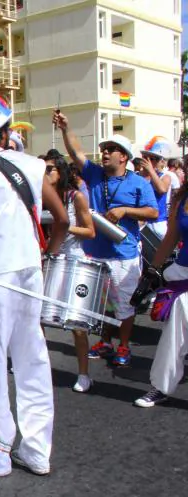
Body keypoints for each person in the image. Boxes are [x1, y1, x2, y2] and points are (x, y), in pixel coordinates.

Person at [0, 97, 69, 477]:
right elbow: (63, 220)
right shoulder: (35, 166)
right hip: (28, 271)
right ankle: (37, 451)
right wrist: (47, 257)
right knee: (32, 357)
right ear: (6, 132)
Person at [55, 111, 159, 367]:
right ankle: (105, 342)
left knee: (124, 304)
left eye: (111, 149)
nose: (104, 152)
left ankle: (123, 346)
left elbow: (153, 212)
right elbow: (76, 153)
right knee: (102, 304)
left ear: (123, 156)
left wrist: (125, 211)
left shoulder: (138, 183)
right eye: (103, 149)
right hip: (95, 252)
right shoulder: (95, 175)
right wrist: (65, 128)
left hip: (123, 254)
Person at [134, 179, 188, 407]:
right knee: (173, 337)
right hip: (183, 277)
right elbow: (170, 239)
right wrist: (152, 271)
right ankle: (161, 386)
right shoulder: (182, 200)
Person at [45, 158, 97, 392]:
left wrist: (66, 226)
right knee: (39, 319)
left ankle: (84, 374)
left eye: (49, 169)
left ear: (60, 172)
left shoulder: (76, 197)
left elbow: (90, 231)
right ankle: (41, 368)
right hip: (48, 260)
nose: (44, 173)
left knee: (77, 324)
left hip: (73, 261)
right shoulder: (40, 197)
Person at [140, 138, 175, 238]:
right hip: (140, 221)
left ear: (161, 162)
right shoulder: (136, 176)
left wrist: (151, 171)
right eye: (146, 157)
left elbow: (162, 189)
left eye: (152, 158)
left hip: (157, 223)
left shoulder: (165, 176)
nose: (148, 161)